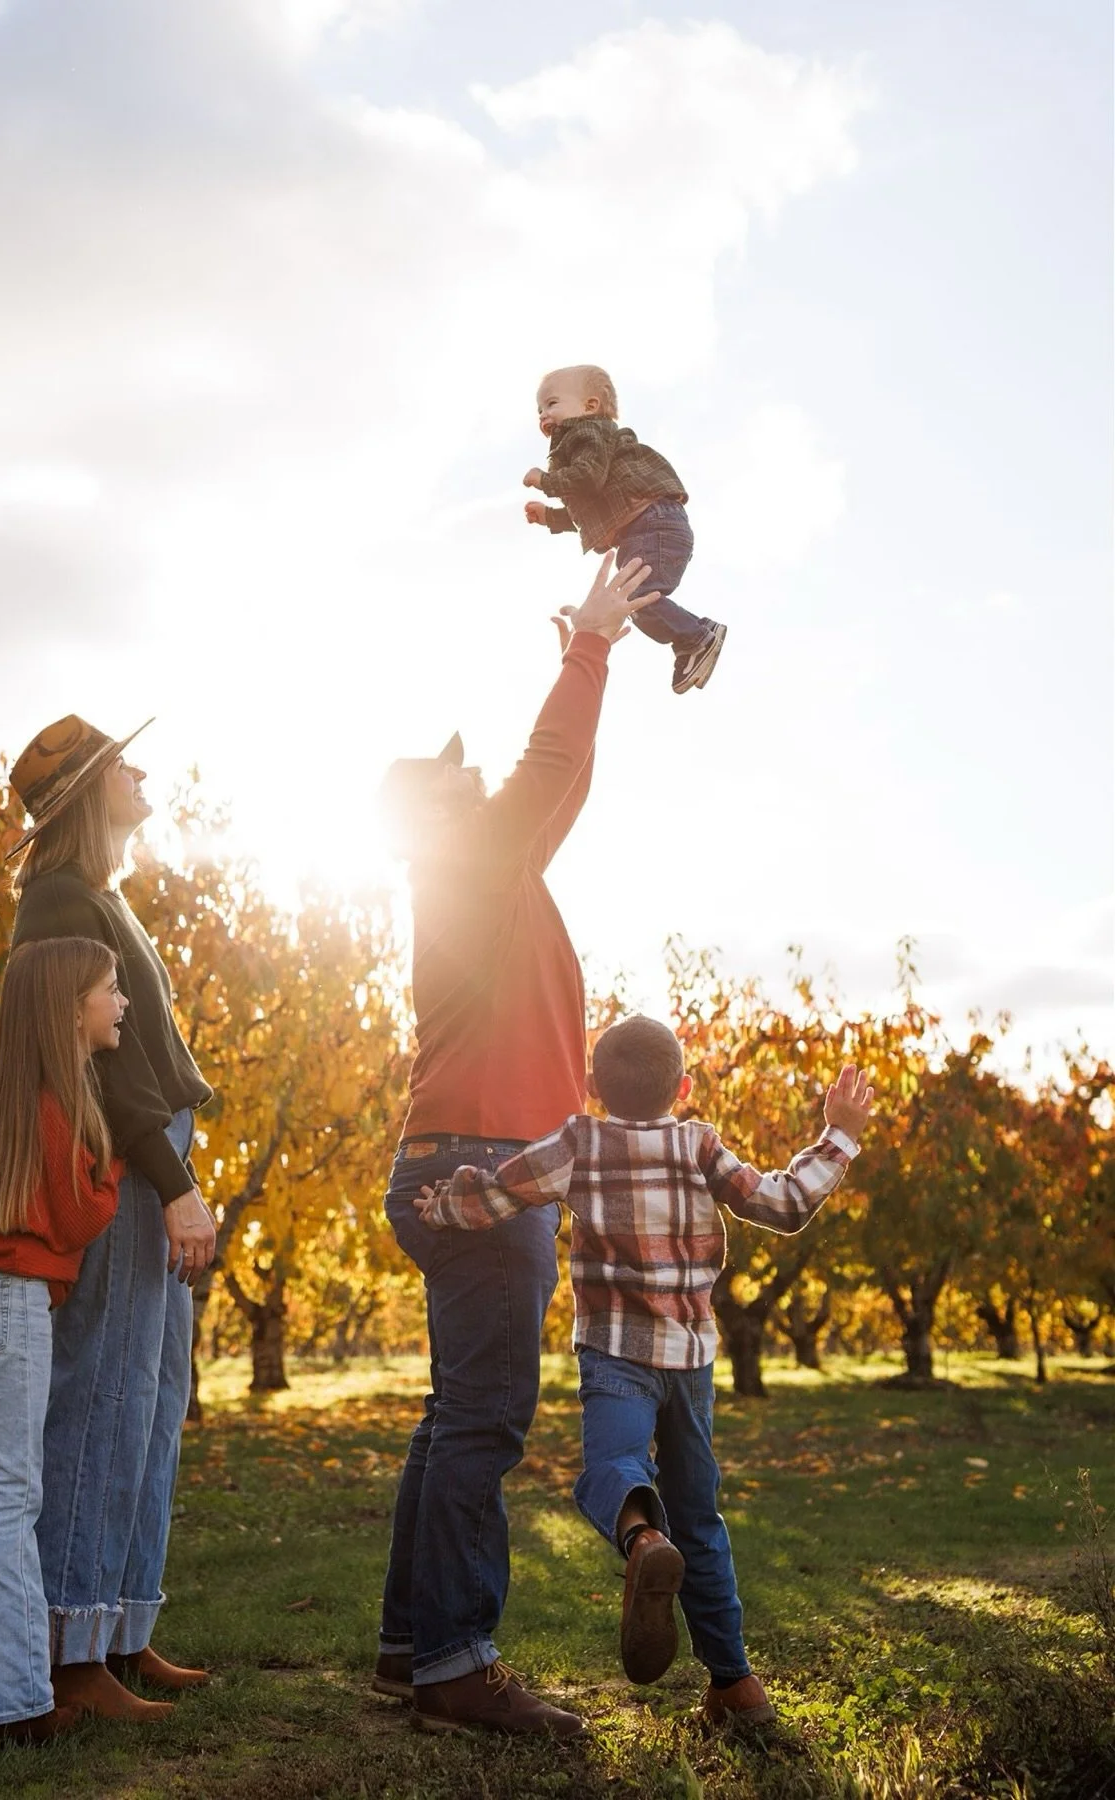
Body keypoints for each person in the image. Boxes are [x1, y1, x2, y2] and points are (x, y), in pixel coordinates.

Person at [372, 551, 657, 1738]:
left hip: (468, 1160)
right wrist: (589, 646)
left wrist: (580, 659)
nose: (471, 773)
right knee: (484, 1420)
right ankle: (454, 1664)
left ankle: (413, 1650)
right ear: (434, 812)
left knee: (455, 1416)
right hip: (481, 1169)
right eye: (453, 776)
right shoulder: (469, 864)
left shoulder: (494, 875)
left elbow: (560, 784)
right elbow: (546, 772)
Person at [415, 1015, 875, 1731]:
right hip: (689, 1364)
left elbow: (499, 1193)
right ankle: (736, 1685)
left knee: (613, 1468)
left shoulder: (579, 1141)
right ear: (683, 1087)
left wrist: (442, 1204)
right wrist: (839, 1133)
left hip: (615, 1353)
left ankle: (641, 1541)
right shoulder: (700, 1143)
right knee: (700, 1516)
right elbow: (782, 1204)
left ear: (594, 1087)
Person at [4, 713, 216, 1720]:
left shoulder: (95, 895)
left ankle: (123, 1629)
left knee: (157, 1395)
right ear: (89, 791)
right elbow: (99, 1059)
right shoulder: (57, 899)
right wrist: (169, 1179)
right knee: (106, 1395)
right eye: (120, 764)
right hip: (133, 1161)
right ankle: (69, 1650)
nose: (141, 771)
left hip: (155, 1151)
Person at [0, 936, 129, 1743]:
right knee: (14, 1499)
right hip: (11, 1303)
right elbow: (81, 1214)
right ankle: (17, 1708)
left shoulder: (15, 1097)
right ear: (70, 1007)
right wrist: (113, 1170)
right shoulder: (58, 1103)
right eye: (110, 991)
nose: (121, 1004)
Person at [523, 363, 726, 695]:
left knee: (630, 600)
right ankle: (692, 642)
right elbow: (593, 510)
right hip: (651, 525)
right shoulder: (588, 448)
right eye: (540, 409)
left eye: (552, 403)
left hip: (652, 524)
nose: (543, 414)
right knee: (629, 602)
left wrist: (546, 481)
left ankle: (696, 635)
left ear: (590, 406)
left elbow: (587, 480)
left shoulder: (585, 432)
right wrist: (550, 517)